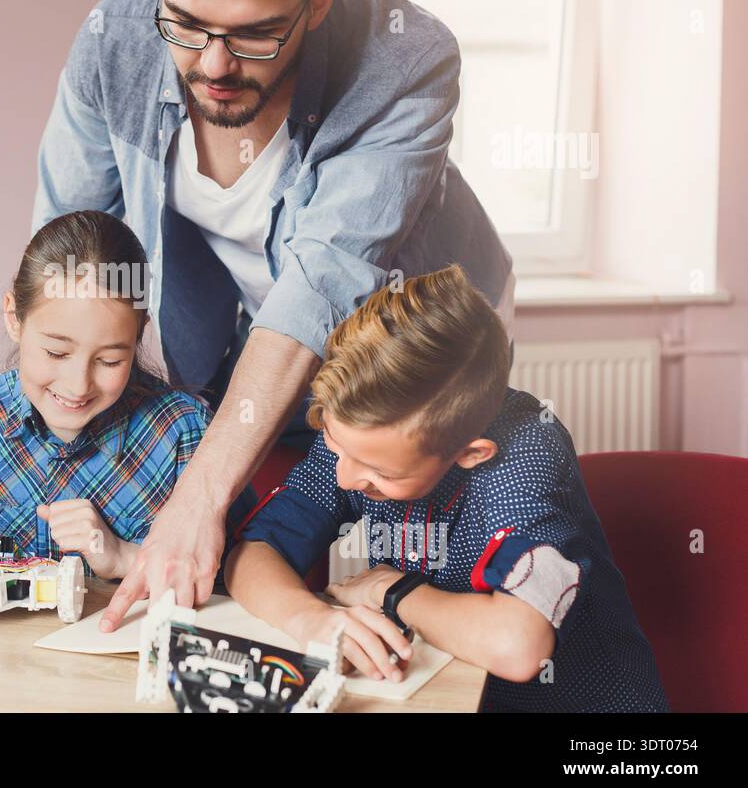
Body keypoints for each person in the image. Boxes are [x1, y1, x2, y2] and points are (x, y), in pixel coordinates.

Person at [34, 0, 513, 628]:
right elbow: (67, 253)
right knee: (260, 545)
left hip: (409, 343)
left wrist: (196, 502)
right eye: (187, 27)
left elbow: (321, 284)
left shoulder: (405, 58)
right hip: (235, 343)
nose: (215, 65)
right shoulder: (113, 40)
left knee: (427, 562)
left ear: (316, 2)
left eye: (256, 34)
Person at [226, 266, 668, 711]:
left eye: (381, 472)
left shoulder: (527, 451)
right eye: (334, 446)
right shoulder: (359, 433)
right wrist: (311, 619)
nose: (345, 478)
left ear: (470, 453)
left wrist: (394, 591)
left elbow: (519, 647)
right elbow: (250, 555)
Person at [0, 210, 256, 579]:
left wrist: (124, 557)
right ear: (14, 317)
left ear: (138, 335)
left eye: (110, 360)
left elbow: (236, 580)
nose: (79, 385)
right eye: (57, 353)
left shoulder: (186, 433)